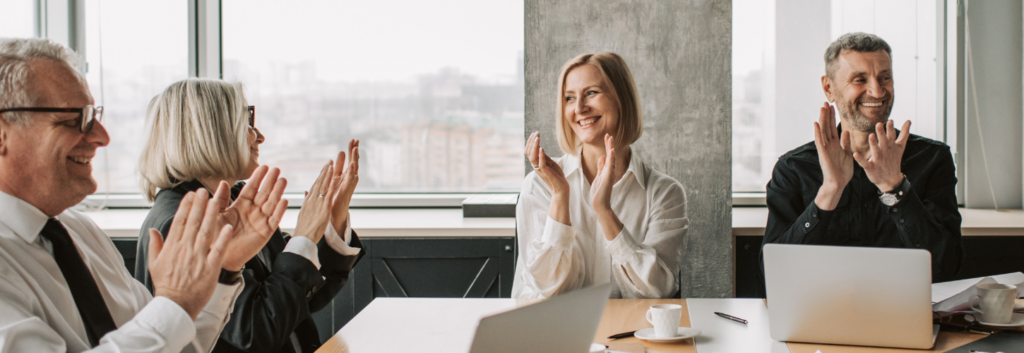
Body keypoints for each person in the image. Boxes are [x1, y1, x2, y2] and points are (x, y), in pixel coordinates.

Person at [0, 38, 286, 353]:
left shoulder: (81, 232)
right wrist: (174, 303)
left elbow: (173, 344)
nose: (101, 136)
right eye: (74, 118)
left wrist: (225, 269)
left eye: (95, 115)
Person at [135, 78, 365, 353]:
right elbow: (256, 333)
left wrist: (333, 219)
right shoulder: (182, 223)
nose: (259, 136)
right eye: (247, 121)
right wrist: (304, 237)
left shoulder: (235, 199)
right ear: (211, 132)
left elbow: (295, 300)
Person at [761, 32, 963, 285]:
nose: (877, 91)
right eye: (860, 79)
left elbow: (947, 266)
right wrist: (830, 191)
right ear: (828, 88)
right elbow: (773, 275)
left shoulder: (933, 158)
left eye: (885, 78)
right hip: (821, 316)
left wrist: (896, 189)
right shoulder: (794, 168)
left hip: (905, 316)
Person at [513, 52, 689, 299]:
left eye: (591, 93)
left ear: (622, 99)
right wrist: (560, 198)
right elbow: (547, 291)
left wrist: (605, 212)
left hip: (630, 335)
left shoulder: (665, 193)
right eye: (569, 98)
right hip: (555, 334)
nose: (579, 108)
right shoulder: (538, 186)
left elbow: (657, 292)